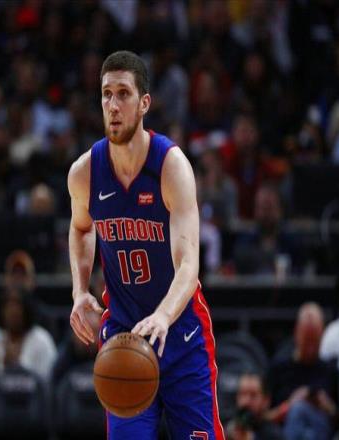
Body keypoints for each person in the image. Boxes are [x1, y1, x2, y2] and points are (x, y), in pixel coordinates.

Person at [68, 50, 224, 439]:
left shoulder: (171, 167)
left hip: (181, 333)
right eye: (106, 94)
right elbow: (82, 228)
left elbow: (188, 265)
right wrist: (80, 290)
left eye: (123, 93)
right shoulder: (85, 172)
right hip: (124, 335)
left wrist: (163, 317)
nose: (113, 105)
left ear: (144, 104)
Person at [268, 302, 338, 440]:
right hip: (286, 430)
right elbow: (265, 418)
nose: (311, 348)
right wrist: (289, 405)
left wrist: (326, 405)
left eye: (315, 340)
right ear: (296, 333)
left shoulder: (330, 370)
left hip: (321, 429)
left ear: (322, 336)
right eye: (307, 340)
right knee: (298, 411)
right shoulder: (279, 368)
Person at [225, 372, 284, 440]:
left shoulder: (274, 435)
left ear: (266, 400)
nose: (246, 401)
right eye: (243, 394)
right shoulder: (225, 424)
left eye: (253, 395)